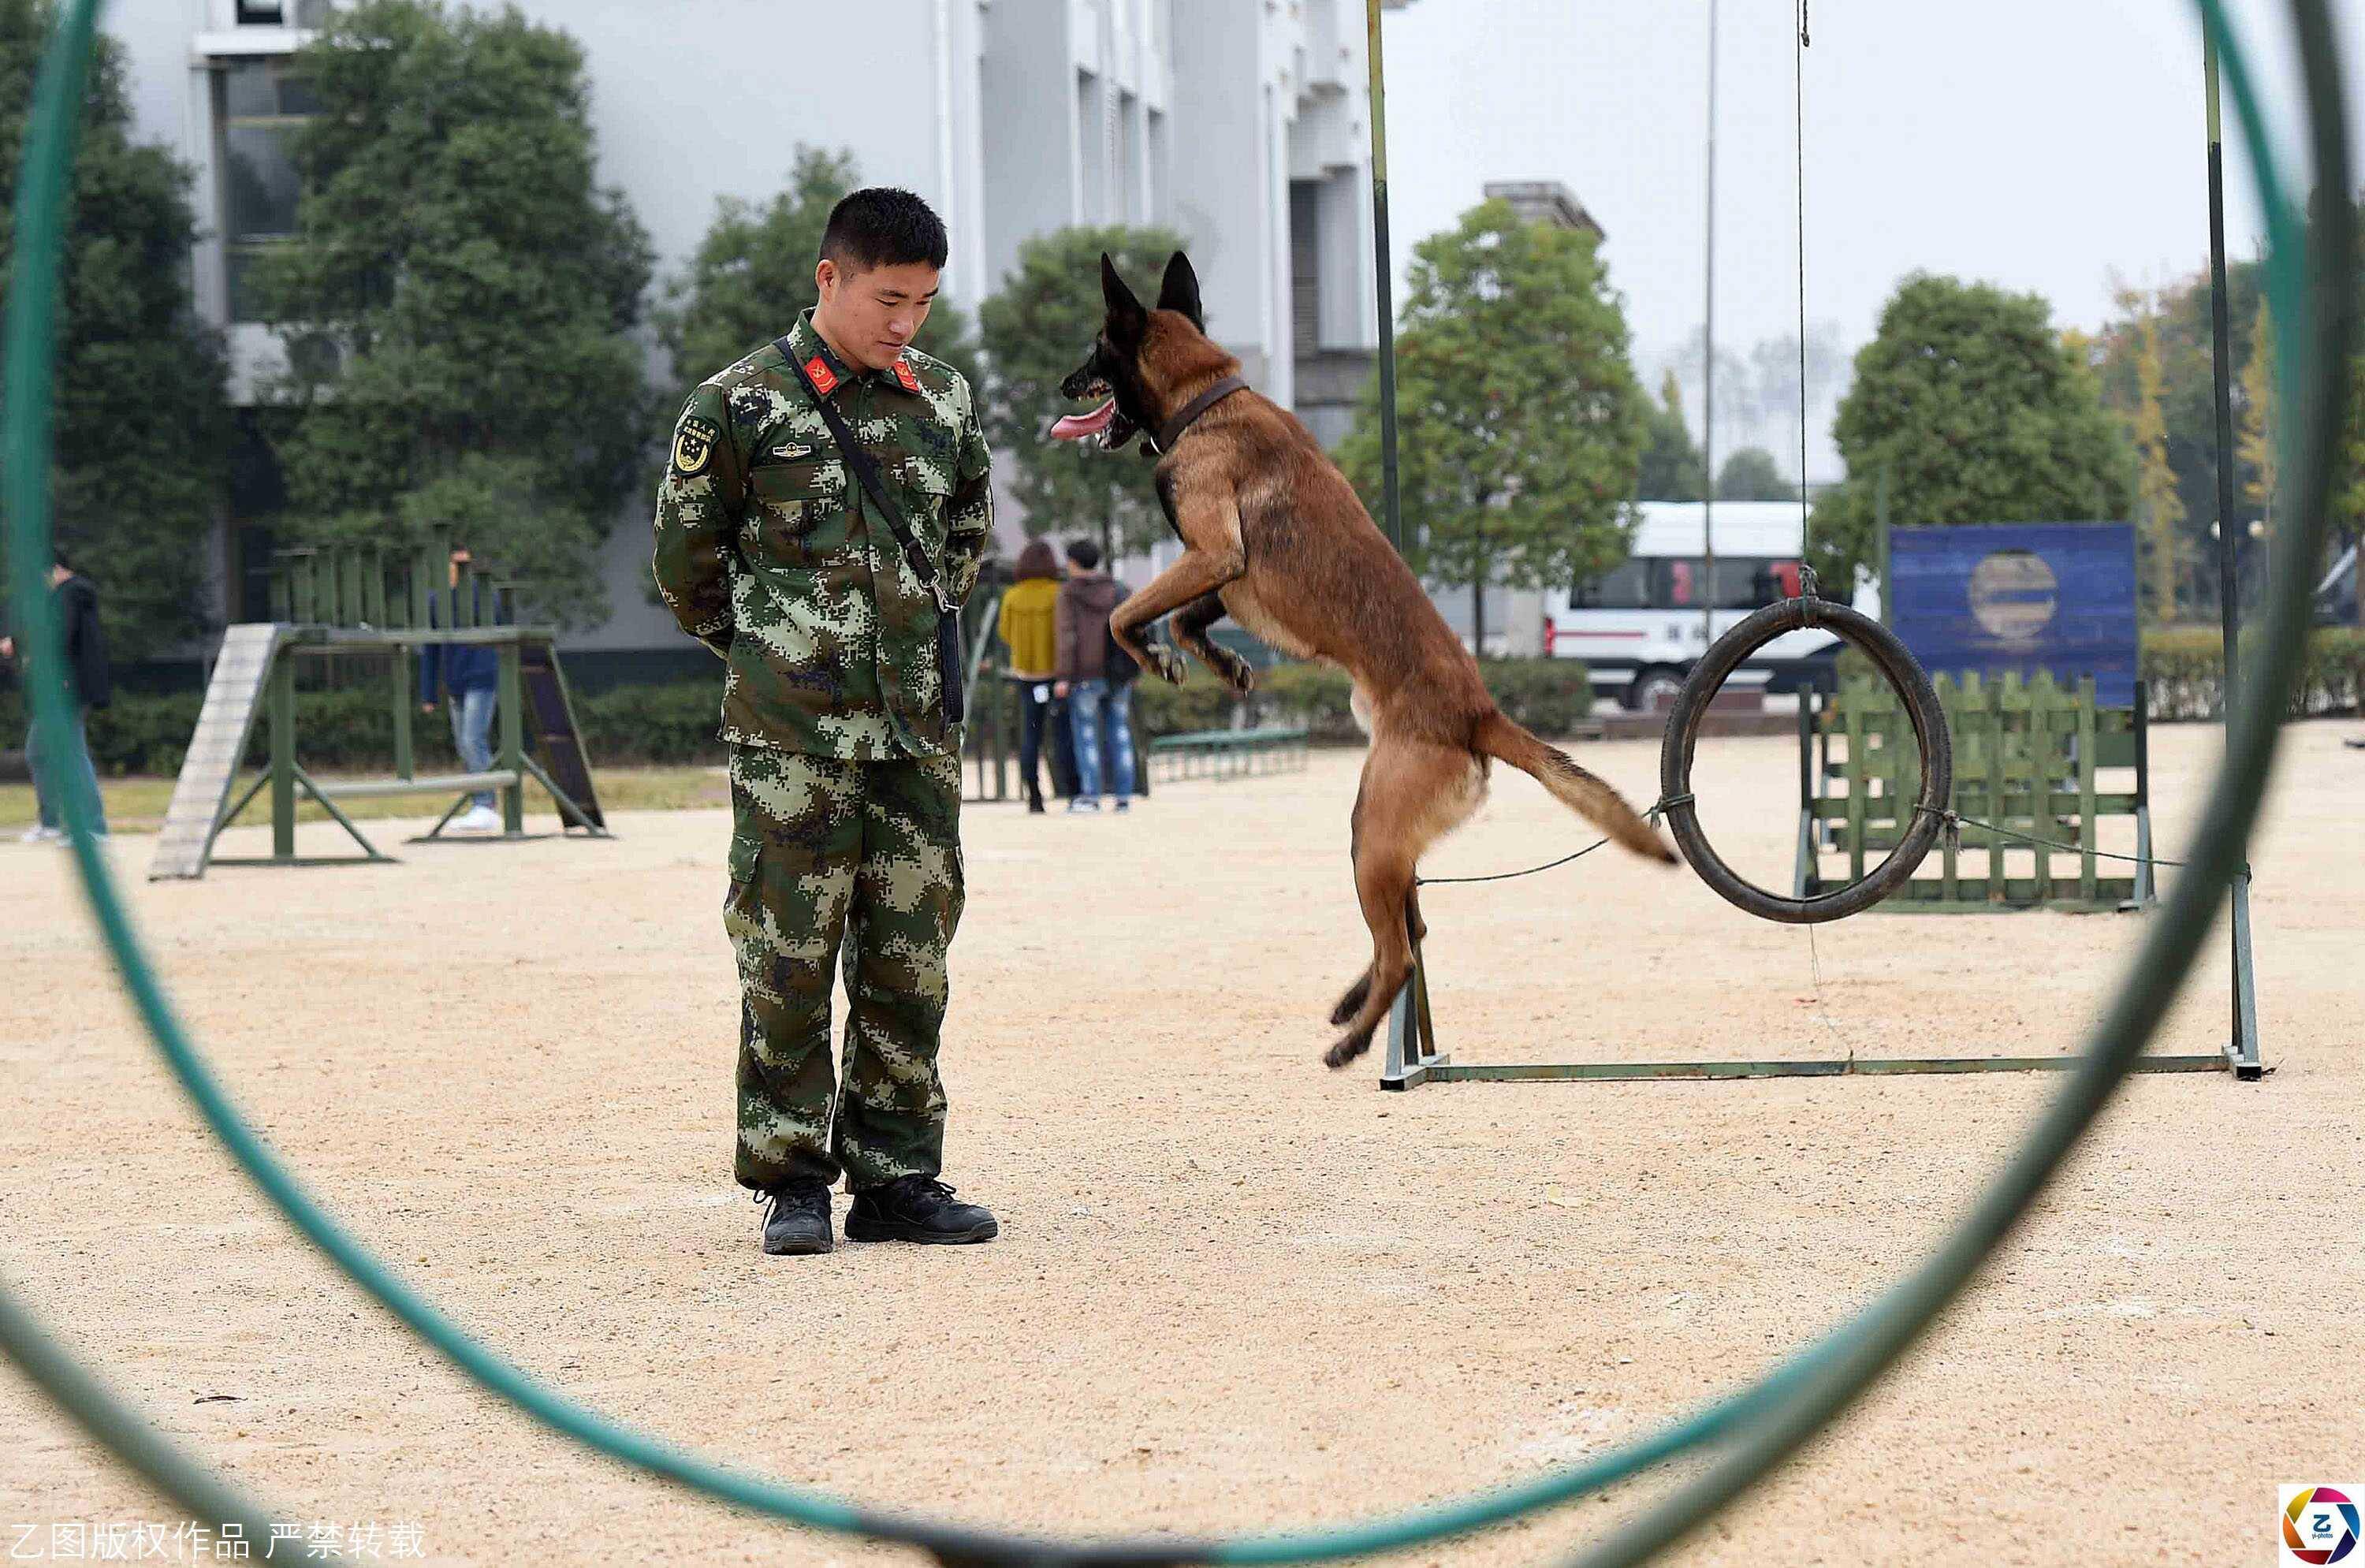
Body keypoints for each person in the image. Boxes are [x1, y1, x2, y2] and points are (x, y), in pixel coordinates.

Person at [651, 187, 1000, 1257]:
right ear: (829, 279)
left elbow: (965, 528)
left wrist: (902, 651)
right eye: (889, 298)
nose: (905, 323)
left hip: (914, 738)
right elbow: (685, 567)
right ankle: (793, 1177)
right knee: (788, 959)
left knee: (910, 960)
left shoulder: (942, 400)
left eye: (925, 304)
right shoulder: (739, 406)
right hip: (791, 744)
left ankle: (898, 1177)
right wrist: (772, 654)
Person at [2, 554, 110, 843]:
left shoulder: (70, 593)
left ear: (54, 570)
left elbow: (61, 635)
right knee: (39, 752)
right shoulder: (65, 597)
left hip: (67, 689)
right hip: (61, 687)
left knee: (72, 753)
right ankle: (51, 823)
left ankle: (93, 827)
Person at [417, 545, 504, 835]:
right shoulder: (436, 602)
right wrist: (428, 693)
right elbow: (429, 649)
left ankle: (486, 804)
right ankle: (480, 803)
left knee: (473, 739)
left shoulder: (484, 596)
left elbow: (496, 620)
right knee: (464, 744)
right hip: (455, 682)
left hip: (481, 677)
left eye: (465, 567)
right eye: (455, 566)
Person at [1053, 538, 1138, 813]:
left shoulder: (1069, 593)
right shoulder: (1119, 590)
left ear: (1074, 563)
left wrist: (1063, 676)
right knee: (1121, 733)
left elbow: (1067, 636)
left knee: (1086, 736)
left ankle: (1091, 796)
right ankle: (1124, 797)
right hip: (1118, 673)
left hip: (1084, 675)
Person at [996, 538, 1062, 813]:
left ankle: (1034, 796)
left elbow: (1005, 633)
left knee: (1030, 736)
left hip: (1025, 675)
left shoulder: (1012, 596)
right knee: (1061, 733)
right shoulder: (1058, 593)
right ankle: (1071, 789)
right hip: (1057, 676)